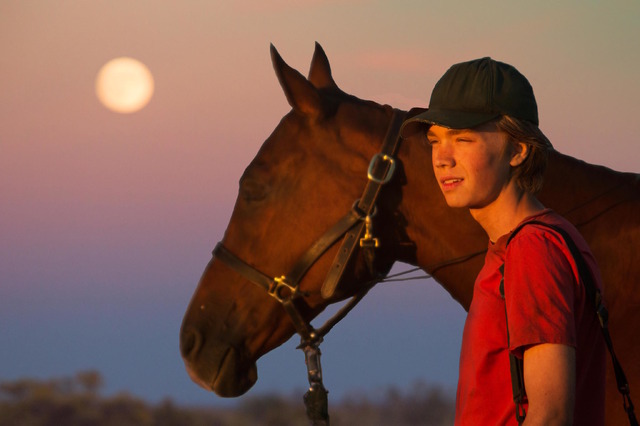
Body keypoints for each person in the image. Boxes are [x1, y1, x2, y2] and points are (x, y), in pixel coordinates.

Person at [400, 58, 606, 425]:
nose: (442, 158)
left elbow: (550, 415)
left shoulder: (533, 250)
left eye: (463, 139)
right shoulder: (533, 242)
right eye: (435, 140)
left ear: (518, 150)